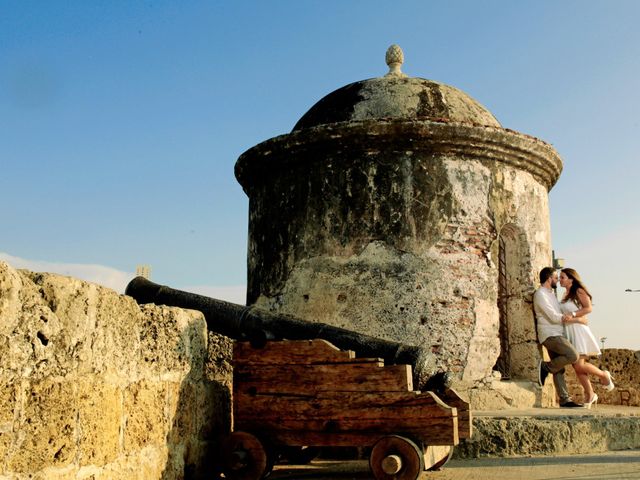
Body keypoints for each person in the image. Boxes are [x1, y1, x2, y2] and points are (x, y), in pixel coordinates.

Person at [559, 267, 614, 408]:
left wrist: (573, 315)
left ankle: (603, 376)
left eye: (563, 277)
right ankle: (590, 394)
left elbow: (588, 308)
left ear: (571, 279)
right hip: (570, 331)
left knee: (579, 365)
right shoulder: (566, 294)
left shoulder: (578, 290)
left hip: (578, 331)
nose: (560, 279)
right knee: (577, 366)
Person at [534, 267, 582, 407]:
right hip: (550, 334)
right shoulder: (540, 294)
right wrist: (572, 318)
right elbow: (554, 317)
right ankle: (545, 367)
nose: (557, 280)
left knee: (559, 368)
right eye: (556, 277)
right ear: (549, 279)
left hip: (557, 332)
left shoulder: (551, 294)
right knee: (573, 355)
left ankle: (564, 399)